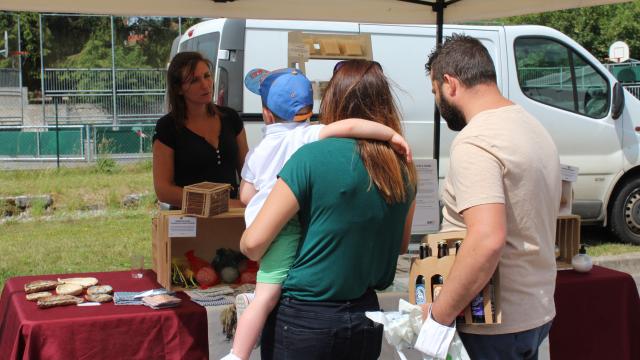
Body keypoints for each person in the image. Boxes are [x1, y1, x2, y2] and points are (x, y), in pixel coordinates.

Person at [226, 67, 413, 360]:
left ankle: (237, 354)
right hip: (366, 314)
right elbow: (400, 245)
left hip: (306, 317)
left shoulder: (310, 157)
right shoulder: (402, 166)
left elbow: (254, 243)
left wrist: (246, 241)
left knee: (262, 298)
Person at [415, 34, 561, 360]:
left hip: (489, 322)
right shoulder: (533, 127)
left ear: (450, 84)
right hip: (534, 309)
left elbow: (487, 239)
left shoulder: (476, 141)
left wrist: (439, 315)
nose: (438, 103)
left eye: (435, 92)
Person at [152, 51, 249, 208]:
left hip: (230, 218)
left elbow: (248, 172)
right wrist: (219, 204)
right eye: (194, 81)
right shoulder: (167, 127)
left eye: (207, 76)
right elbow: (164, 190)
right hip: (188, 222)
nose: (205, 85)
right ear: (178, 89)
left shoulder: (230, 118)